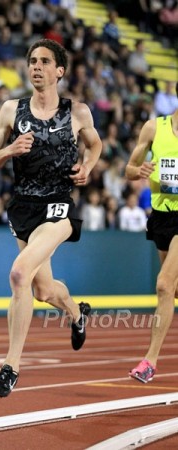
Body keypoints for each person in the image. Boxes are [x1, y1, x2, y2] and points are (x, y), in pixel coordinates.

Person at [0, 38, 102, 397]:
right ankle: (77, 314)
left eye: (44, 61)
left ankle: (10, 368)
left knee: (19, 274)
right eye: (32, 60)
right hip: (24, 207)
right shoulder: (10, 111)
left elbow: (95, 145)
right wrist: (10, 149)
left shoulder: (77, 112)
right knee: (43, 289)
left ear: (59, 71)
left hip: (59, 207)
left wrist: (88, 168)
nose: (36, 66)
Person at [125, 82, 178, 383]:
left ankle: (150, 361)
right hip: (161, 216)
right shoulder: (153, 128)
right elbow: (130, 169)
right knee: (174, 290)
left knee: (163, 284)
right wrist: (141, 171)